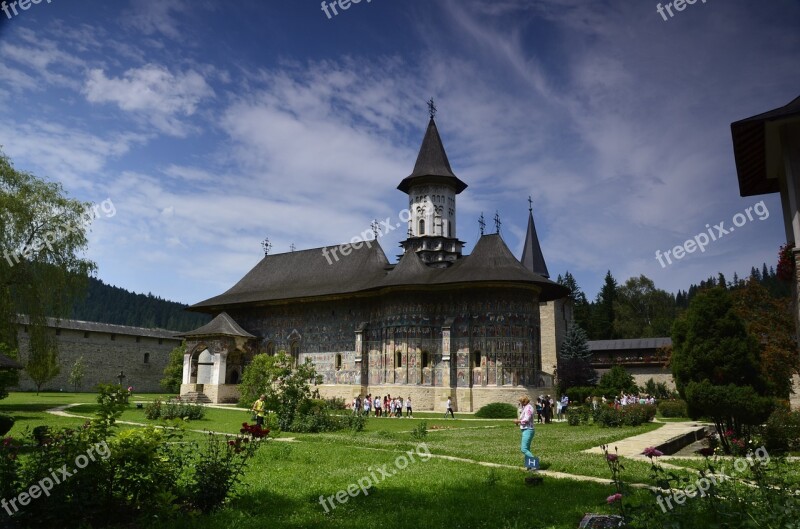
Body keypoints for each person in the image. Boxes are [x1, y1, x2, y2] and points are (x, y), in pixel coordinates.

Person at [514, 395, 537, 471]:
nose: (520, 403)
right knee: (527, 449)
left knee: (523, 449)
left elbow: (526, 419)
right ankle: (529, 465)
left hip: (528, 429)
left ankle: (534, 465)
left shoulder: (528, 408)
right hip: (526, 429)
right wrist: (518, 421)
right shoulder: (525, 408)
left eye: (521, 402)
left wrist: (518, 421)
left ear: (524, 401)